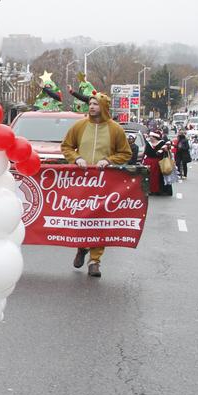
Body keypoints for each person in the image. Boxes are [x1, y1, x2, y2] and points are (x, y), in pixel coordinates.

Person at [60, 92, 132, 278]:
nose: (91, 107)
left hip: (104, 184)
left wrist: (108, 161)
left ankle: (95, 261)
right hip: (82, 182)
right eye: (90, 104)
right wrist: (77, 159)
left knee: (100, 221)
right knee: (83, 218)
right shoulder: (79, 126)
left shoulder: (115, 129)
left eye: (96, 104)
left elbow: (125, 153)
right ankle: (82, 247)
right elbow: (66, 146)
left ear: (104, 107)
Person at [144, 131, 173, 197]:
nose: (150, 138)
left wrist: (165, 149)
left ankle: (160, 190)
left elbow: (167, 149)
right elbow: (147, 152)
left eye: (151, 137)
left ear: (155, 137)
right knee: (149, 176)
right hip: (149, 162)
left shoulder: (162, 143)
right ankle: (150, 190)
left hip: (159, 162)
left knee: (159, 176)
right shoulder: (148, 144)